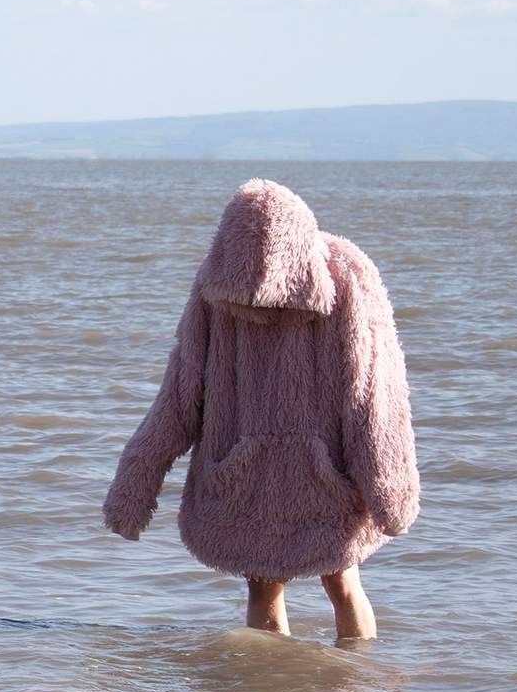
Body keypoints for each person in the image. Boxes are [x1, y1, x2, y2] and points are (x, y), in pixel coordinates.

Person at [102, 179, 419, 640]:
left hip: (245, 470)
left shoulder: (223, 286)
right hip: (322, 471)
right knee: (341, 583)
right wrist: (389, 487)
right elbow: (376, 395)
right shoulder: (341, 276)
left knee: (276, 588)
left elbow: (179, 394)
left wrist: (134, 485)